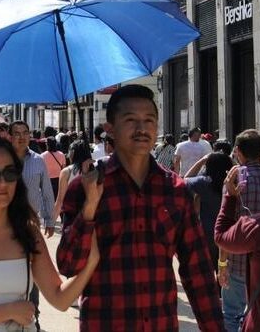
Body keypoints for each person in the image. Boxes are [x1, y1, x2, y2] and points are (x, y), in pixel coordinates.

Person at [57, 84, 224, 330]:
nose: (141, 128)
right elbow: (68, 265)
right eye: (130, 120)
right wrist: (90, 208)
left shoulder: (175, 190)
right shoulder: (85, 188)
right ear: (110, 129)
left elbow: (197, 270)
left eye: (149, 120)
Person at [0, 135, 99, 331]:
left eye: (10, 173)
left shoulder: (28, 232)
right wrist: (9, 311)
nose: (2, 182)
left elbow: (60, 299)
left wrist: (91, 262)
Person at [217, 129, 260, 332]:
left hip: (238, 261)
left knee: (232, 314)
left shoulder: (234, 180)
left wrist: (222, 263)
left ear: (238, 152)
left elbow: (226, 228)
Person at [9, 120, 55, 329]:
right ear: (10, 136)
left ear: (30, 136)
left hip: (31, 224)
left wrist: (49, 219)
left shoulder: (37, 161)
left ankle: (33, 312)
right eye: (16, 133)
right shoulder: (4, 160)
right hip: (5, 223)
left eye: (24, 133)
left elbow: (46, 191)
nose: (21, 137)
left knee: (31, 268)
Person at [184, 152, 233, 273]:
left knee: (208, 271)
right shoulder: (233, 183)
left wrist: (201, 161)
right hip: (231, 232)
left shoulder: (203, 182)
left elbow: (184, 180)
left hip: (208, 232)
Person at [52, 140, 92, 222]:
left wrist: (51, 222)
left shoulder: (67, 172)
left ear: (73, 153)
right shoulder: (94, 170)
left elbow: (60, 201)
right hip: (91, 215)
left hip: (72, 217)